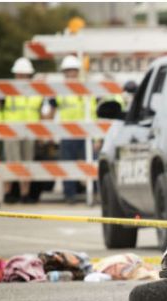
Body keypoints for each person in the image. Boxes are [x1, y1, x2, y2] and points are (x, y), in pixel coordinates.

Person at [45, 55, 97, 204]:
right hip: (67, 133)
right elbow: (52, 110)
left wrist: (96, 135)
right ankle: (70, 195)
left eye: (73, 70)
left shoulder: (85, 88)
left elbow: (93, 112)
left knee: (91, 163)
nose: (71, 73)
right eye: (68, 71)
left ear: (78, 71)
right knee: (68, 165)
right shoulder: (60, 90)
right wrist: (45, 131)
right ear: (64, 72)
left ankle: (94, 193)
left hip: (86, 133)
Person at [2, 57, 43, 204]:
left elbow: (39, 112)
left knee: (27, 164)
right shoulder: (7, 90)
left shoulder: (35, 91)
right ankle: (8, 194)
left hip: (29, 131)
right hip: (11, 130)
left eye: (24, 74)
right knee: (11, 163)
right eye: (20, 74)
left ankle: (24, 195)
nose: (22, 77)